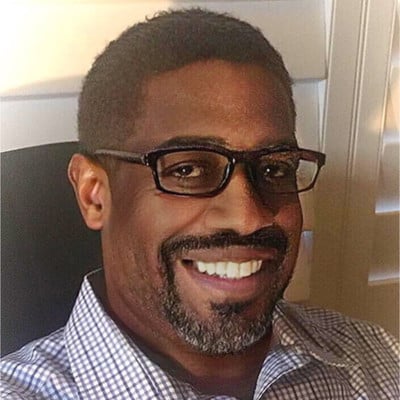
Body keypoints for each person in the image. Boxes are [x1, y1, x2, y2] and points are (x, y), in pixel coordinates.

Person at [1, 8, 398, 400]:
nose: (247, 217)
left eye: (274, 168)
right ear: (94, 195)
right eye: (188, 169)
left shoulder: (375, 360)